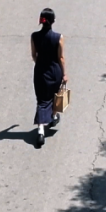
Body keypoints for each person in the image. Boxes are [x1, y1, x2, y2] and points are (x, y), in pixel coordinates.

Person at [31, 8, 67, 147]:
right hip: (55, 71)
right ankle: (52, 117)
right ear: (53, 21)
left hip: (40, 71)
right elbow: (61, 58)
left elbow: (34, 55)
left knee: (41, 100)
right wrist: (64, 74)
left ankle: (40, 130)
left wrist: (40, 64)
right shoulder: (58, 37)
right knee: (54, 96)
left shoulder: (34, 36)